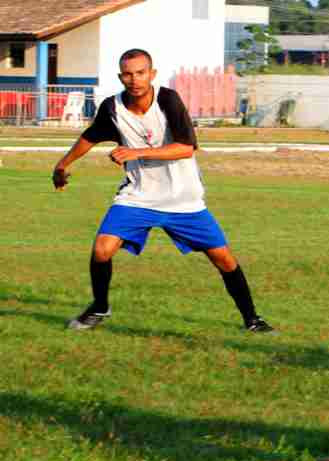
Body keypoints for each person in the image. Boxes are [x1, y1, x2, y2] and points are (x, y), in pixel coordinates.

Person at [51, 48, 273, 333]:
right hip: (138, 197)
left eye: (141, 73)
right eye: (128, 74)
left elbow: (186, 148)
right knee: (102, 249)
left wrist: (136, 152)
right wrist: (62, 165)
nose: (134, 79)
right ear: (121, 77)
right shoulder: (112, 108)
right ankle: (99, 307)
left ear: (152, 74)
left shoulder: (168, 99)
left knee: (224, 259)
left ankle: (252, 319)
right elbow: (90, 137)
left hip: (183, 198)